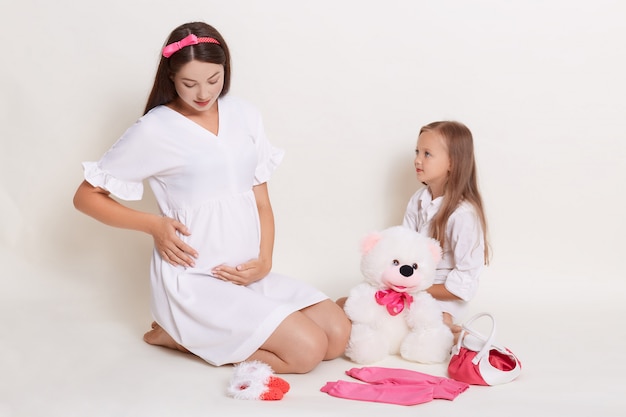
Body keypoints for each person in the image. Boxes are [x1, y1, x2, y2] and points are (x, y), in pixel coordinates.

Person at [73, 21, 351, 374]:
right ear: (171, 78)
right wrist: (154, 225)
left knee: (338, 335)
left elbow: (261, 200)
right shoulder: (155, 130)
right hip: (195, 281)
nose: (203, 93)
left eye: (214, 80)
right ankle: (180, 336)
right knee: (307, 352)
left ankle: (202, 335)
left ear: (225, 71)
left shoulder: (245, 115)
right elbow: (85, 197)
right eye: (189, 83)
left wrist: (265, 260)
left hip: (246, 273)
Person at [337, 121, 489, 342]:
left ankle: (450, 331)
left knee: (417, 326)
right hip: (407, 284)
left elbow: (463, 285)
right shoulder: (418, 200)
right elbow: (401, 249)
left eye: (427, 154)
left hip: (438, 296)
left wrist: (412, 287)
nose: (417, 159)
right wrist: (391, 282)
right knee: (346, 305)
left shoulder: (464, 215)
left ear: (452, 163)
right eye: (417, 152)